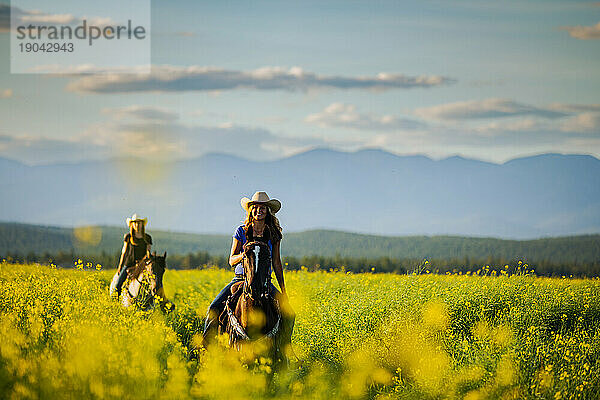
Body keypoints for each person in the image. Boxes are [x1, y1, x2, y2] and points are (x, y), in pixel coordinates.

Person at [203, 191, 295, 354]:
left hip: (265, 280)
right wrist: (244, 254)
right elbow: (231, 260)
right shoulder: (241, 231)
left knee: (290, 314)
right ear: (251, 210)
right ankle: (204, 348)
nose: (259, 210)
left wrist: (283, 290)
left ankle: (285, 352)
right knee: (213, 308)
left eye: (263, 208)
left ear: (268, 211)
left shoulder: (274, 233)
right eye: (256, 207)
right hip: (240, 279)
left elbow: (276, 263)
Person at [114, 213, 153, 297]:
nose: (137, 225)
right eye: (135, 223)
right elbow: (124, 252)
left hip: (142, 266)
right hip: (129, 264)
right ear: (132, 224)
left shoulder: (147, 238)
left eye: (139, 223)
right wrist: (120, 266)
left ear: (142, 224)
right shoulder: (128, 237)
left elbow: (148, 254)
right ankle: (115, 301)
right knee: (117, 285)